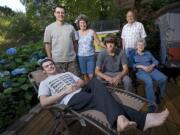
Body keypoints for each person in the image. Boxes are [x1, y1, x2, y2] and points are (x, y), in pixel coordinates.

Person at [38, 58, 169, 133]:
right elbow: (44, 103)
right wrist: (65, 91)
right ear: (44, 71)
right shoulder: (44, 83)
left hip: (83, 90)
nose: (50, 67)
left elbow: (82, 81)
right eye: (47, 66)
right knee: (102, 98)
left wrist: (77, 85)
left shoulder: (66, 74)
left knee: (94, 81)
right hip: (71, 99)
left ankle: (122, 120)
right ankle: (142, 119)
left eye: (51, 64)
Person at [133, 39, 167, 112]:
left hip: (151, 69)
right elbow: (131, 64)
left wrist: (152, 66)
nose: (141, 46)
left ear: (144, 46)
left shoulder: (148, 53)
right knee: (149, 81)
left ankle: (158, 95)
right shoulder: (133, 54)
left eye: (142, 44)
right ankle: (151, 104)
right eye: (139, 45)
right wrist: (142, 67)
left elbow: (156, 61)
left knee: (164, 78)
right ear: (136, 46)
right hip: (140, 71)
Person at [43, 5, 79, 75]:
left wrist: (75, 54)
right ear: (54, 14)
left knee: (74, 81)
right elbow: (47, 44)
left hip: (71, 61)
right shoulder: (49, 28)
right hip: (57, 61)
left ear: (65, 14)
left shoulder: (70, 27)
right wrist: (50, 59)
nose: (60, 14)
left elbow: (75, 42)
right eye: (58, 12)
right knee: (62, 83)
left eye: (62, 12)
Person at [75, 14, 106, 83]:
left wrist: (107, 47)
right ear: (78, 24)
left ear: (87, 23)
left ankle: (93, 87)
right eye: (81, 23)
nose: (83, 24)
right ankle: (89, 89)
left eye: (84, 22)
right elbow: (75, 45)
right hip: (81, 57)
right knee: (84, 75)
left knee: (91, 75)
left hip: (91, 56)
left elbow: (98, 42)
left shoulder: (92, 32)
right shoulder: (76, 33)